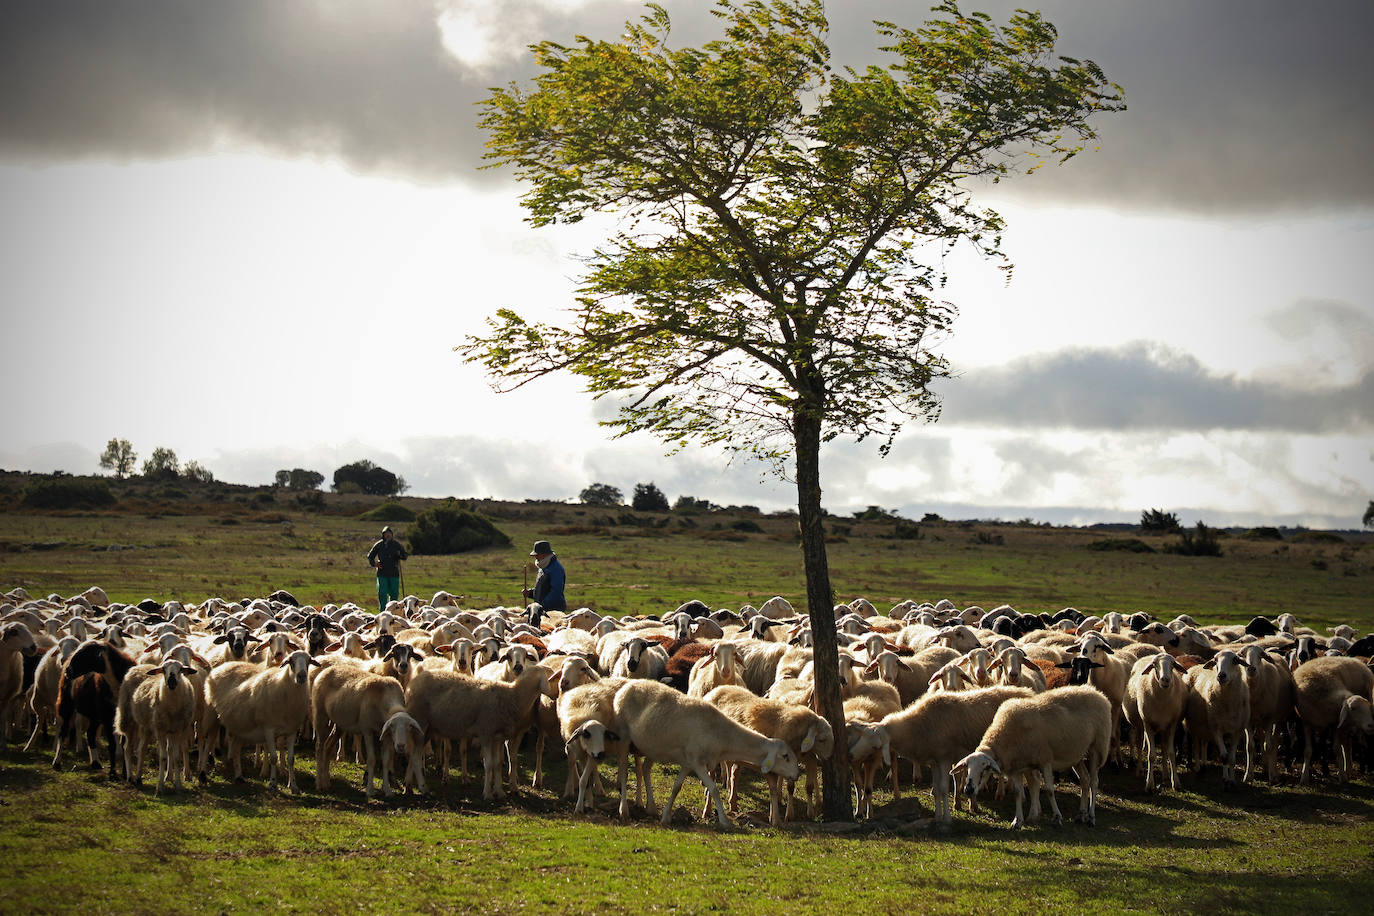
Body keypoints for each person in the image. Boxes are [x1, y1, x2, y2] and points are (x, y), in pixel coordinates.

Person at [367, 526, 408, 611]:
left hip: (394, 573)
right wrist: (375, 563)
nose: (388, 535)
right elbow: (370, 556)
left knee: (394, 594)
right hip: (382, 573)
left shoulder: (396, 544)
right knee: (382, 594)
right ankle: (383, 612)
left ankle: (393, 612)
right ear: (383, 535)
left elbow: (405, 555)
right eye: (386, 534)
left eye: (389, 534)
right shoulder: (379, 545)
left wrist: (400, 555)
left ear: (392, 535)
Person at [522, 539, 566, 612]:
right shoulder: (543, 566)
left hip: (553, 611)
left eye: (537, 554)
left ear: (544, 554)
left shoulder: (556, 569)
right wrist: (530, 593)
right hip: (542, 610)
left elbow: (556, 592)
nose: (535, 557)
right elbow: (543, 589)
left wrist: (541, 606)